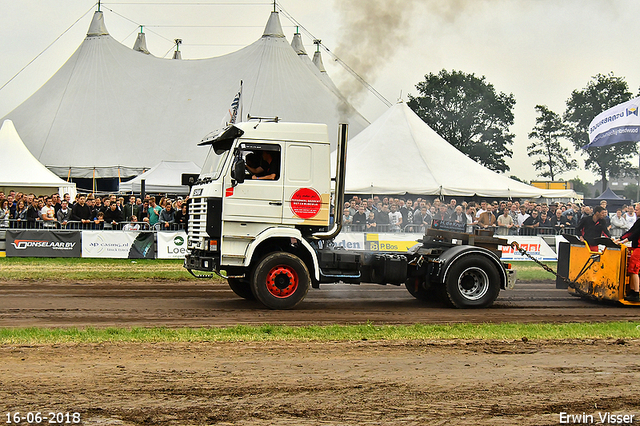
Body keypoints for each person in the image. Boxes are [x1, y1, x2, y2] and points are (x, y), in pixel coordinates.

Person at [616, 203, 640, 302]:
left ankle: (636, 293)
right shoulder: (638, 221)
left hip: (639, 248)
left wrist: (623, 241)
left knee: (633, 270)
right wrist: (619, 239)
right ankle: (632, 290)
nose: (635, 211)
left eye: (637, 210)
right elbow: (631, 231)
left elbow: (635, 234)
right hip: (636, 247)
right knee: (632, 270)